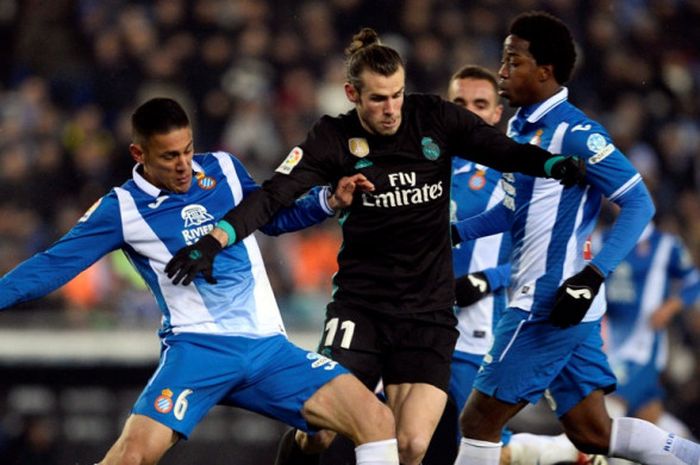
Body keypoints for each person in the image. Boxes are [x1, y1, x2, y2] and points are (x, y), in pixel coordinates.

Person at [164, 28, 585, 465]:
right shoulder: (331, 138)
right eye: (378, 99)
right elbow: (273, 196)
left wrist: (552, 164)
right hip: (361, 309)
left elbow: (504, 151)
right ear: (352, 93)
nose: (391, 110)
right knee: (321, 432)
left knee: (413, 445)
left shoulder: (434, 117)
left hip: (427, 312)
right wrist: (214, 240)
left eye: (397, 95)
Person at [0, 97, 402, 465]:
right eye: (170, 156)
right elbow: (53, 264)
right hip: (198, 350)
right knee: (131, 458)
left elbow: (270, 216)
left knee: (376, 421)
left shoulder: (223, 169)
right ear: (138, 154)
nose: (184, 165)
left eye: (188, 150)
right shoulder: (121, 208)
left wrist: (327, 200)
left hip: (268, 350)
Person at [450, 11, 700, 465]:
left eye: (513, 61)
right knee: (592, 431)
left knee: (478, 421)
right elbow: (511, 210)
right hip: (564, 304)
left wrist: (593, 275)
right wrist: (453, 233)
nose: (502, 71)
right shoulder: (520, 127)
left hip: (546, 301)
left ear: (544, 71)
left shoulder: (577, 132)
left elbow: (640, 202)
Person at [425, 65, 607, 465]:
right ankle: (565, 451)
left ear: (495, 114)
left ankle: (566, 452)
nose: (469, 112)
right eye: (459, 103)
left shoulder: (514, 171)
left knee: (475, 439)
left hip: (474, 326)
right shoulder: (423, 166)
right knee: (403, 432)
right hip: (415, 319)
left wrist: (485, 278)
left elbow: (542, 254)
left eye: (480, 104)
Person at [604, 220, 700, 448]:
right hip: (610, 342)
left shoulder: (667, 245)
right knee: (650, 417)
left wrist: (672, 305)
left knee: (608, 409)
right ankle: (691, 453)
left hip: (643, 347)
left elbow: (693, 280)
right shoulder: (601, 239)